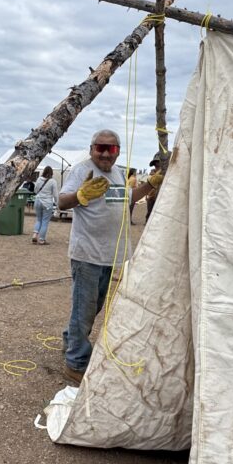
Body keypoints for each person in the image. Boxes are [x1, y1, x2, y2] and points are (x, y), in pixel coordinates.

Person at [57, 130, 154, 383]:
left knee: (93, 307)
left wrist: (151, 183)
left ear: (118, 152)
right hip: (87, 254)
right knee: (84, 308)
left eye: (110, 149)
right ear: (91, 149)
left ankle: (70, 339)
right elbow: (61, 202)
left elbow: (126, 198)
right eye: (100, 147)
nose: (104, 153)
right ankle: (75, 363)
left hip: (110, 256)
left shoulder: (119, 173)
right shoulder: (81, 170)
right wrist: (79, 196)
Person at [30, 166, 58, 245]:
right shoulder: (53, 181)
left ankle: (35, 235)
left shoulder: (39, 179)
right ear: (51, 173)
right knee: (45, 221)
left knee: (39, 219)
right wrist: (57, 204)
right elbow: (55, 195)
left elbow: (35, 190)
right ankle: (42, 240)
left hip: (38, 201)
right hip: (47, 203)